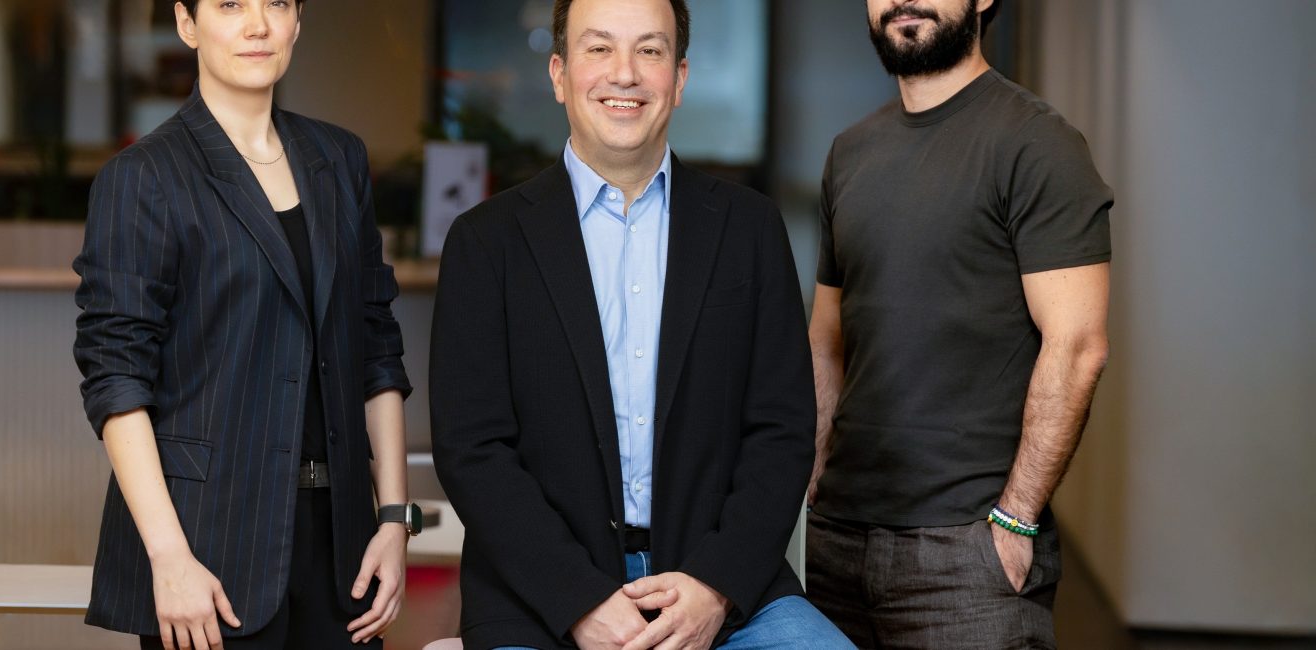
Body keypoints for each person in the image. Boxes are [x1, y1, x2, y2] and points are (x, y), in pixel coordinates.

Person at [429, 0, 857, 648]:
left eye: (650, 50)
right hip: (539, 602)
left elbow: (782, 429)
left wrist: (714, 587)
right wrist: (579, 600)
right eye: (599, 48)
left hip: (727, 595)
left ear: (679, 78)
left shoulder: (749, 229)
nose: (624, 72)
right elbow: (472, 448)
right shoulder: (485, 242)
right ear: (559, 73)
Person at [72, 1, 419, 648]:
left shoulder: (339, 159)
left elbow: (376, 345)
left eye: (276, 3)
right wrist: (168, 557)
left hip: (343, 547)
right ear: (186, 23)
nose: (257, 25)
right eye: (230, 3)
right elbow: (116, 380)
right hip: (207, 547)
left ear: (297, 21)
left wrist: (394, 519)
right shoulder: (144, 176)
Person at [804, 1, 1113, 648]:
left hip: (967, 557)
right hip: (837, 542)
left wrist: (1017, 520)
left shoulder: (1039, 144)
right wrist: (811, 486)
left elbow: (1078, 346)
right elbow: (826, 341)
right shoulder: (849, 153)